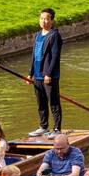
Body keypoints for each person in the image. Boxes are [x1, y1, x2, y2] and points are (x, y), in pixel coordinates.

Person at [18, 132, 85, 176]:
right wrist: (42, 175)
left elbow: (75, 175)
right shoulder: (50, 153)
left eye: (61, 149)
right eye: (57, 149)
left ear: (68, 145)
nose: (59, 151)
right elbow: (41, 169)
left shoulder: (76, 153)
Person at [29, 8, 63, 137]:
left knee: (53, 102)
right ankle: (43, 127)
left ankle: (56, 129)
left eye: (47, 18)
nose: (44, 21)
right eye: (42, 18)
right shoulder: (38, 35)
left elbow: (55, 56)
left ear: (52, 21)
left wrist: (48, 74)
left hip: (49, 76)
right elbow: (34, 55)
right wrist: (30, 73)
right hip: (37, 75)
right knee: (41, 102)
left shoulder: (54, 35)